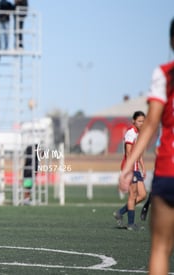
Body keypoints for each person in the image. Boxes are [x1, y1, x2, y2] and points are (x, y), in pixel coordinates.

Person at [119, 17, 174, 274]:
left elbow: (152, 124)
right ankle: (125, 216)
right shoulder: (130, 131)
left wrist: (128, 167)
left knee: (161, 248)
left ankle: (123, 214)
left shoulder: (164, 74)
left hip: (169, 169)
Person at [113, 111, 147, 230]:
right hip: (130, 167)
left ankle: (120, 212)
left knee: (142, 195)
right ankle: (131, 224)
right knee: (132, 195)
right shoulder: (130, 133)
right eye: (139, 121)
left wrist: (143, 167)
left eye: (143, 121)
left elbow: (139, 153)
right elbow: (128, 152)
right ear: (133, 121)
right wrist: (129, 170)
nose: (142, 123)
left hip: (136, 167)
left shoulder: (139, 133)